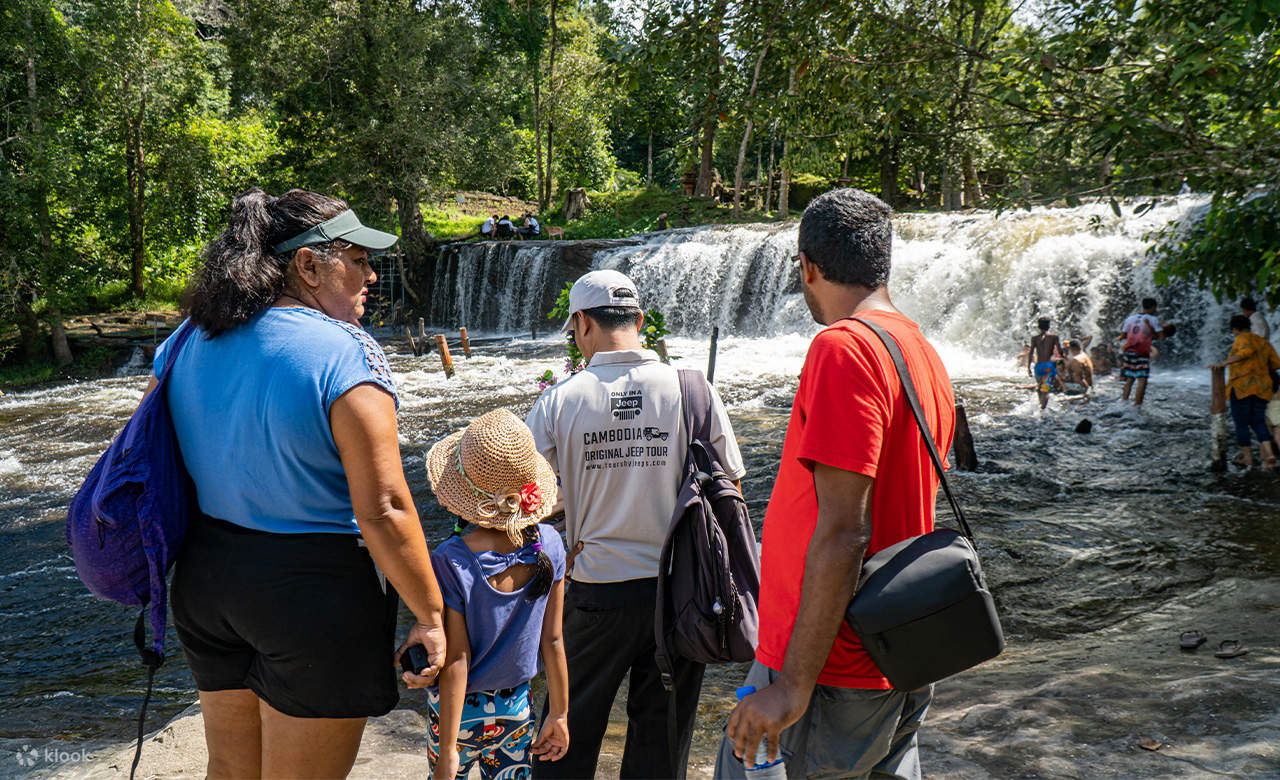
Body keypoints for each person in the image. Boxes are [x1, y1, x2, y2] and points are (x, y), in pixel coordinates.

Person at [154, 188, 447, 778]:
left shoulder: (187, 339)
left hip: (206, 579)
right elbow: (385, 508)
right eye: (357, 260)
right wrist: (431, 614)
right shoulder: (345, 353)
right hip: (313, 592)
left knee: (230, 771)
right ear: (309, 265)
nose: (371, 275)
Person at [718, 189, 955, 779]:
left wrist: (791, 687)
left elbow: (846, 530)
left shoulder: (843, 348)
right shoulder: (920, 350)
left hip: (831, 667)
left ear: (808, 266)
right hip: (899, 649)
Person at [525, 269, 746, 779]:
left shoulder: (559, 399)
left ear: (582, 324)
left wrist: (570, 516)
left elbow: (523, 499)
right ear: (640, 321)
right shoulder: (694, 390)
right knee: (661, 745)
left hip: (595, 588)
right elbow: (730, 488)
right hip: (682, 592)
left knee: (564, 737)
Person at [415, 409, 570, 779]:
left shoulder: (451, 559)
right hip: (516, 709)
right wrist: (560, 714)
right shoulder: (550, 544)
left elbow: (457, 661)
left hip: (458, 716)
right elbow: (553, 640)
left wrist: (448, 751)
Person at [1212, 314, 1280, 469]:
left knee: (1241, 424)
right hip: (1263, 388)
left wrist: (1224, 363)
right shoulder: (1263, 342)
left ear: (1235, 329)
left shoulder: (1241, 338)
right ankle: (1269, 454)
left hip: (1242, 388)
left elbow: (1246, 352)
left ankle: (1247, 458)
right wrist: (1259, 367)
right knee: (1258, 421)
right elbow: (1276, 363)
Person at [1117, 298, 1165, 406]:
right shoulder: (1153, 319)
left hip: (1129, 351)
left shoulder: (1130, 318)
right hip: (1141, 352)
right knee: (1142, 380)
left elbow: (1123, 335)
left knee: (1130, 379)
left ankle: (1124, 401)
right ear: (1153, 307)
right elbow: (1162, 337)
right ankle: (1137, 405)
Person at [1028, 318, 1064, 409]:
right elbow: (1060, 351)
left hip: (1038, 366)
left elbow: (1031, 353)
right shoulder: (1054, 337)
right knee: (1046, 389)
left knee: (1040, 387)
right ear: (1049, 326)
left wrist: (1028, 367)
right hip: (1048, 366)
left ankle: (1040, 404)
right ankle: (1042, 410)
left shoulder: (1034, 338)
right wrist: (1062, 358)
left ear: (1038, 327)